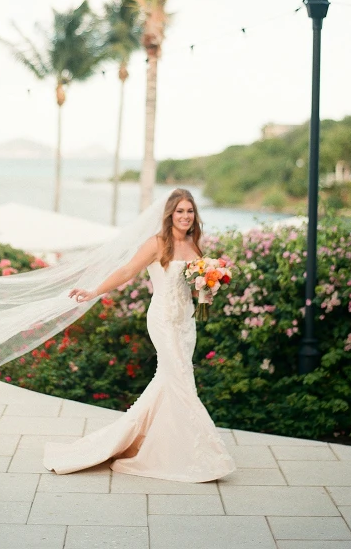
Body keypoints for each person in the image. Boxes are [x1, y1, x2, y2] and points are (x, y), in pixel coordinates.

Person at [43, 188, 236, 482]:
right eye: (180, 211)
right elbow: (127, 271)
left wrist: (209, 287)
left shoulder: (196, 246)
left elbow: (198, 293)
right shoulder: (157, 243)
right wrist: (94, 291)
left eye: (190, 211)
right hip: (163, 319)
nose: (185, 216)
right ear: (170, 214)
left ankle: (141, 441)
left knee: (170, 380)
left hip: (186, 323)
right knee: (180, 381)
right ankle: (199, 452)